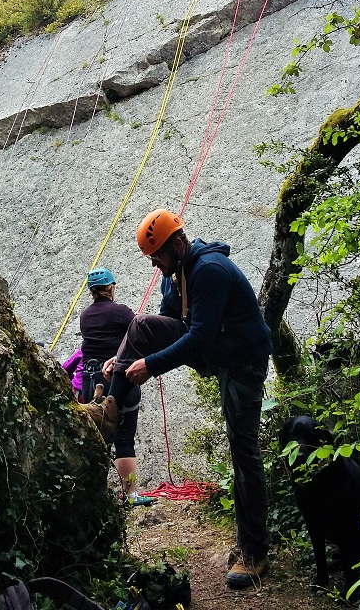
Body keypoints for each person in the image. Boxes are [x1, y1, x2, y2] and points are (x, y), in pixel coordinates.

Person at [86, 210, 273, 588]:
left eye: (156, 255)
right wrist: (122, 358)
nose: (154, 264)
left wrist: (150, 365)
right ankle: (109, 409)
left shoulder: (210, 271)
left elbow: (199, 337)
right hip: (219, 354)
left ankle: (255, 552)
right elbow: (157, 326)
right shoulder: (175, 277)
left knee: (244, 453)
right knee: (139, 325)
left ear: (175, 243)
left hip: (242, 365)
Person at [80, 267, 155, 507]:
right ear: (111, 287)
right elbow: (138, 333)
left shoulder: (85, 316)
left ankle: (93, 495)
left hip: (90, 381)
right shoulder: (122, 312)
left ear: (92, 291)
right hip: (118, 378)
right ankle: (131, 494)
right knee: (124, 437)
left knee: (96, 438)